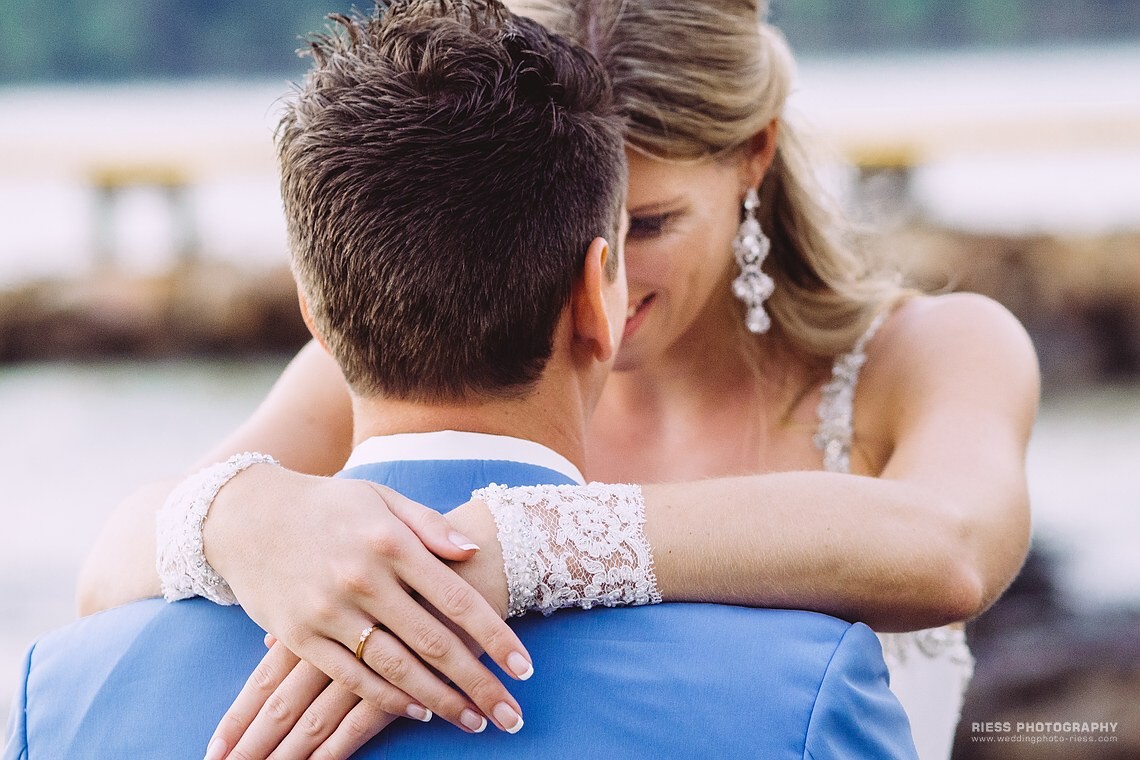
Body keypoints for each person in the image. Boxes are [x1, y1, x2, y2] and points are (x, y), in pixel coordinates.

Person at [75, 0, 1039, 758]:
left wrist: (527, 540)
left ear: (755, 153)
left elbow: (949, 547)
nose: (611, 265)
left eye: (649, 223)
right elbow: (105, 578)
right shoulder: (387, 361)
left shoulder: (931, 353)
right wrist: (247, 521)